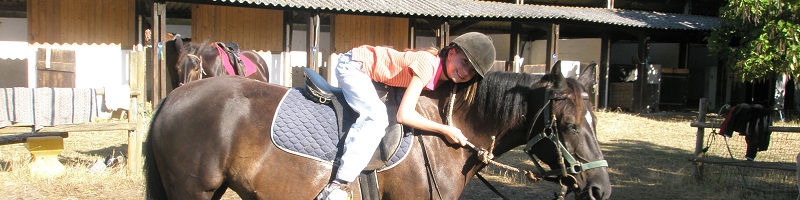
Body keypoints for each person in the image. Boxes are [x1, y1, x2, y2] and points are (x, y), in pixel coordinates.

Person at [315, 32, 496, 200]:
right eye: (464, 62)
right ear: (451, 53)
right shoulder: (428, 66)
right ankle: (340, 185)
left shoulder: (441, 73)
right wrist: (446, 130)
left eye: (472, 71)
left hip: (366, 68)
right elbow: (404, 115)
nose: (465, 72)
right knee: (376, 118)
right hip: (355, 66)